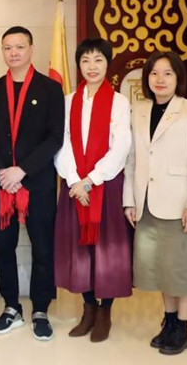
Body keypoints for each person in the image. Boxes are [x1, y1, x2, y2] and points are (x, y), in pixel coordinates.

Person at [123, 51, 187, 356]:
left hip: (178, 203)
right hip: (147, 203)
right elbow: (132, 160)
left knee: (180, 269)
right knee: (161, 269)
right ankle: (169, 322)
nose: (160, 79)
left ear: (178, 78)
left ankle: (182, 328)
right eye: (154, 73)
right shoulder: (139, 110)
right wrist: (130, 200)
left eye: (167, 73)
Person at [0, 26, 64, 341]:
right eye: (8, 47)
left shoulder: (50, 88)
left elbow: (55, 137)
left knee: (43, 248)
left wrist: (23, 171)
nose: (13, 52)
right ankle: (11, 308)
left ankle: (40, 310)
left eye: (19, 46)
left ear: (31, 49)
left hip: (37, 183)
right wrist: (4, 171)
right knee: (4, 248)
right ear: (2, 51)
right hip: (3, 184)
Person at [53, 38, 132, 342]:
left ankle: (105, 312)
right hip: (74, 187)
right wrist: (75, 180)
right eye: (85, 60)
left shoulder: (119, 102)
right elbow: (61, 143)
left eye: (98, 60)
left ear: (107, 63)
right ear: (79, 65)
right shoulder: (68, 101)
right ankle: (88, 309)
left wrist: (91, 180)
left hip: (106, 186)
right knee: (79, 249)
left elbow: (121, 146)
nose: (92, 66)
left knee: (107, 249)